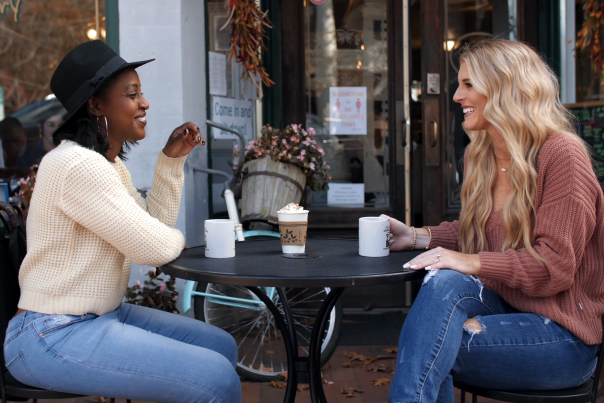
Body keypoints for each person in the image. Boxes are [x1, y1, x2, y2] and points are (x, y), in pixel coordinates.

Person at [3, 40, 241, 403]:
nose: (144, 103)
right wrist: (168, 238)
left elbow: (153, 228)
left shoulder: (108, 166)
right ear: (96, 105)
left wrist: (170, 162)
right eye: (132, 94)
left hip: (97, 316)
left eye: (141, 93)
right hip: (49, 334)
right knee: (216, 379)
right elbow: (155, 246)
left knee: (220, 344)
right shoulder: (78, 165)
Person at [385, 38, 604, 403]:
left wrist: (469, 261)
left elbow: (555, 266)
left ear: (506, 90)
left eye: (468, 85)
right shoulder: (479, 154)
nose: (456, 96)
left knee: (427, 346)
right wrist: (417, 236)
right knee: (441, 288)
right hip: (504, 306)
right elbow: (477, 234)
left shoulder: (562, 155)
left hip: (563, 336)